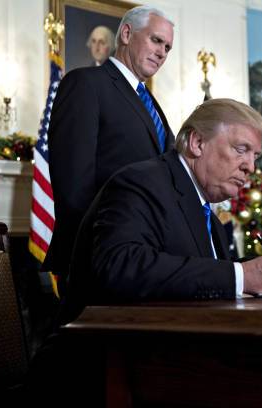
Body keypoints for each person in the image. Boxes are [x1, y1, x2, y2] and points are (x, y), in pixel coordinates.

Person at [61, 99, 262, 322]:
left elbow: (200, 272)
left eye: (256, 156)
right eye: (241, 150)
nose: (250, 167)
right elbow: (120, 267)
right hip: (105, 357)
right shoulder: (140, 183)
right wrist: (242, 275)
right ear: (197, 142)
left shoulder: (209, 215)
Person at [44, 5, 175, 293]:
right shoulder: (85, 84)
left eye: (167, 46)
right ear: (126, 33)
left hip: (146, 259)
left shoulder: (150, 102)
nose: (163, 52)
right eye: (156, 40)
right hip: (98, 260)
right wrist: (104, 251)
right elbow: (73, 186)